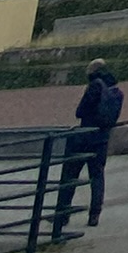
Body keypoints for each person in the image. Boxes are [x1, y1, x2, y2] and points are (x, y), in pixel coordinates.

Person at [52, 57, 123, 235]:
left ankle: (63, 214)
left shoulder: (94, 86)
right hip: (102, 138)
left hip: (84, 138)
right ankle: (94, 215)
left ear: (91, 72)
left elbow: (80, 111)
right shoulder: (116, 90)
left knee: (70, 175)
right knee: (97, 176)